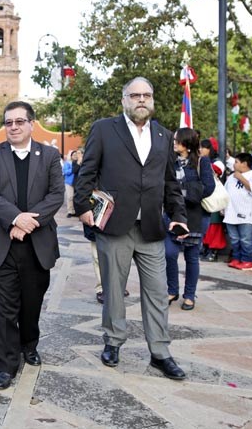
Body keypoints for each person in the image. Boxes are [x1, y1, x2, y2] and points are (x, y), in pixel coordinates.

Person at [74, 76, 188, 380]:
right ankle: (113, 341)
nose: (141, 100)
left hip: (151, 227)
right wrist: (83, 207)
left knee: (158, 292)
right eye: (135, 95)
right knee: (113, 290)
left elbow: (170, 182)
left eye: (146, 95)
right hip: (114, 225)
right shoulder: (104, 129)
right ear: (124, 100)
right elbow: (87, 171)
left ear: (152, 100)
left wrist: (178, 215)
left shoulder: (163, 135)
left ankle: (160, 352)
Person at [0, 101, 64, 390]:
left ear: (31, 124)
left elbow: (56, 195)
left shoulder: (49, 155)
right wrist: (15, 219)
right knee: (5, 308)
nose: (13, 127)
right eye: (8, 122)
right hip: (2, 244)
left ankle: (29, 343)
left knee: (31, 303)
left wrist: (27, 223)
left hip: (37, 245)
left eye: (19, 121)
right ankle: (6, 364)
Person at [165, 128, 215, 311]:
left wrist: (181, 192)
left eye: (177, 140)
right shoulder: (169, 160)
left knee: (192, 257)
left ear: (187, 143)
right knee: (169, 253)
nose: (174, 143)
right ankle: (172, 290)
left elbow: (208, 187)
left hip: (195, 215)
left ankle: (189, 295)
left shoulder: (202, 161)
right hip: (171, 214)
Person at [223, 153, 252, 271]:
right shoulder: (231, 177)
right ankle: (236, 258)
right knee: (234, 239)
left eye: (236, 162)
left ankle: (247, 260)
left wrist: (241, 178)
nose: (234, 164)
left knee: (246, 239)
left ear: (244, 163)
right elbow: (225, 192)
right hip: (231, 213)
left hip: (246, 214)